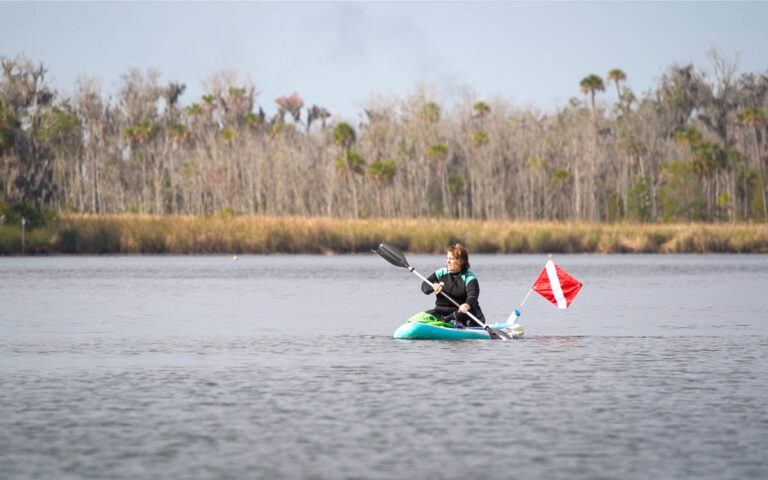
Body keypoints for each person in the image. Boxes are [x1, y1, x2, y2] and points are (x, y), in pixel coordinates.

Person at [421, 243, 485, 327]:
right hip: (441, 311)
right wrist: (433, 285)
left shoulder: (469, 277)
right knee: (424, 316)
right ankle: (444, 322)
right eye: (447, 258)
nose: (448, 261)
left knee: (455, 317)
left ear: (460, 261)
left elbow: (472, 295)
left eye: (451, 259)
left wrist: (467, 304)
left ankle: (449, 323)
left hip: (463, 312)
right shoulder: (441, 273)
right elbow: (424, 287)